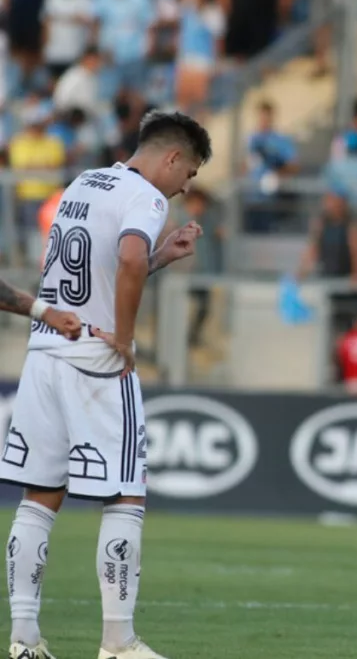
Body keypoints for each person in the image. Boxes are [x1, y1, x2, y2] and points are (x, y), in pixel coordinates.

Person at [0, 110, 212, 659]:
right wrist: (124, 337)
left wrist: (163, 256)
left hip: (46, 352)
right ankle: (118, 643)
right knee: (124, 495)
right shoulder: (147, 197)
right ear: (171, 157)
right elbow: (130, 257)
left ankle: (23, 640)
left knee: (39, 499)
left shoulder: (83, 181)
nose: (185, 186)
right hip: (97, 362)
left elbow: (105, 266)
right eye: (187, 173)